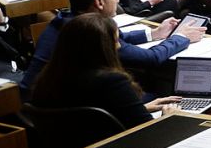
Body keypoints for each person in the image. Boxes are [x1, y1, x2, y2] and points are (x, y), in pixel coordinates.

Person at [24, 0, 201, 90]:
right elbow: (150, 58)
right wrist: (181, 38)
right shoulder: (90, 32)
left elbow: (119, 38)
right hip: (63, 103)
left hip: (49, 96)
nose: (117, 1)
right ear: (99, 3)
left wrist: (153, 34)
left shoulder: (66, 19)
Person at [30, 14, 176, 127]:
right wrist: (168, 118)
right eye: (116, 41)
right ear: (103, 47)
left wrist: (141, 109)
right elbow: (147, 131)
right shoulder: (112, 81)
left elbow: (85, 120)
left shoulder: (47, 79)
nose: (119, 47)